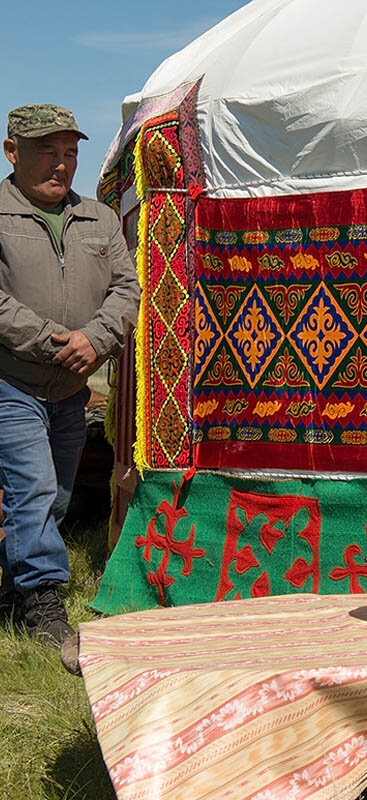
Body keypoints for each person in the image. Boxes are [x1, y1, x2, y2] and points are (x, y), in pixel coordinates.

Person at [0, 104, 140, 662]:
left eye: (70, 153)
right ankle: (44, 601)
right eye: (46, 152)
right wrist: (56, 341)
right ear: (13, 152)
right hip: (13, 380)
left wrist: (97, 339)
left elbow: (127, 290)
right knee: (33, 489)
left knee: (54, 494)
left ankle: (15, 590)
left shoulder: (100, 219)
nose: (61, 165)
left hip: (73, 385)